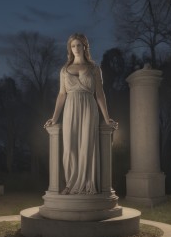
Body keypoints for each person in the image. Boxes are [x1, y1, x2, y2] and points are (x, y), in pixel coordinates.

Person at [44, 33, 117, 195]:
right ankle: (70, 183)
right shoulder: (64, 70)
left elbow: (99, 94)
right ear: (69, 49)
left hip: (89, 108)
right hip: (70, 109)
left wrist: (106, 118)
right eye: (73, 46)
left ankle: (86, 184)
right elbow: (62, 94)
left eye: (79, 45)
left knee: (86, 146)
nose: (76, 48)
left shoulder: (94, 69)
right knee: (69, 147)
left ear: (85, 47)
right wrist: (54, 117)